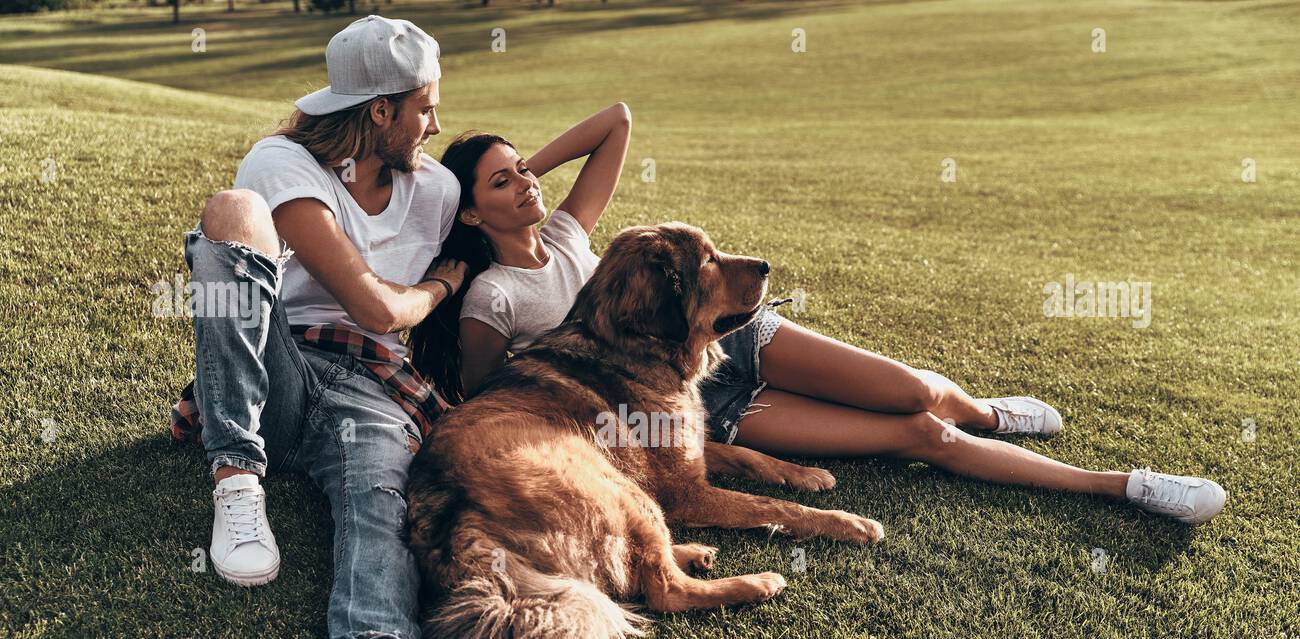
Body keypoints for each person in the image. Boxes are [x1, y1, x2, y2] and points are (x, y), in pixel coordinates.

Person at [407, 106, 1226, 525]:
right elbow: (502, 398)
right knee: (922, 436)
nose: (525, 186)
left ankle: (987, 408)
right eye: (501, 185)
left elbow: (617, 121)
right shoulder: (492, 296)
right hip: (707, 406)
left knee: (917, 391)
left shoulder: (565, 229)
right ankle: (1123, 487)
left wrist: (517, 168)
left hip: (736, 337)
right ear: (470, 217)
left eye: (522, 172)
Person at [169, 16, 489, 639]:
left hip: (371, 389)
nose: (436, 123)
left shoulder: (437, 189)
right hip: (283, 369)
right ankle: (237, 479)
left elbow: (513, 198)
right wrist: (438, 286)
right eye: (425, 106)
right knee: (231, 212)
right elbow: (374, 304)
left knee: (376, 498)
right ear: (380, 111)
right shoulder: (281, 165)